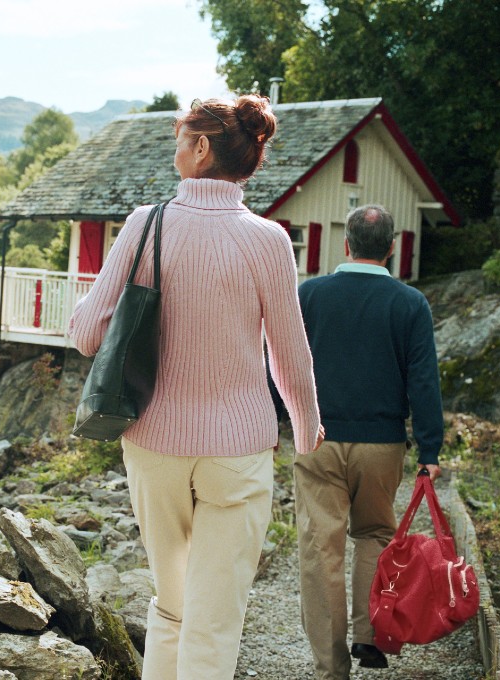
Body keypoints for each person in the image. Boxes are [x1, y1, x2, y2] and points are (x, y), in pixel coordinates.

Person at [69, 95, 324, 680]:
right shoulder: (268, 240)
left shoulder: (145, 225)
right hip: (239, 450)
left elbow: (87, 337)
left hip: (154, 442)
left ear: (202, 148)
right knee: (214, 617)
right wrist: (307, 430)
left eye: (180, 139)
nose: (176, 149)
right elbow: (288, 352)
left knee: (173, 603)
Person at [293, 204, 444, 679]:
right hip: (383, 444)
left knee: (321, 550)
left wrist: (286, 421)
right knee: (375, 536)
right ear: (393, 248)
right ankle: (369, 634)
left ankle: (331, 669)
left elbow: (285, 366)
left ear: (346, 244)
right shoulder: (410, 303)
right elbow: (423, 380)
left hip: (318, 440)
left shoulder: (310, 295)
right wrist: (430, 449)